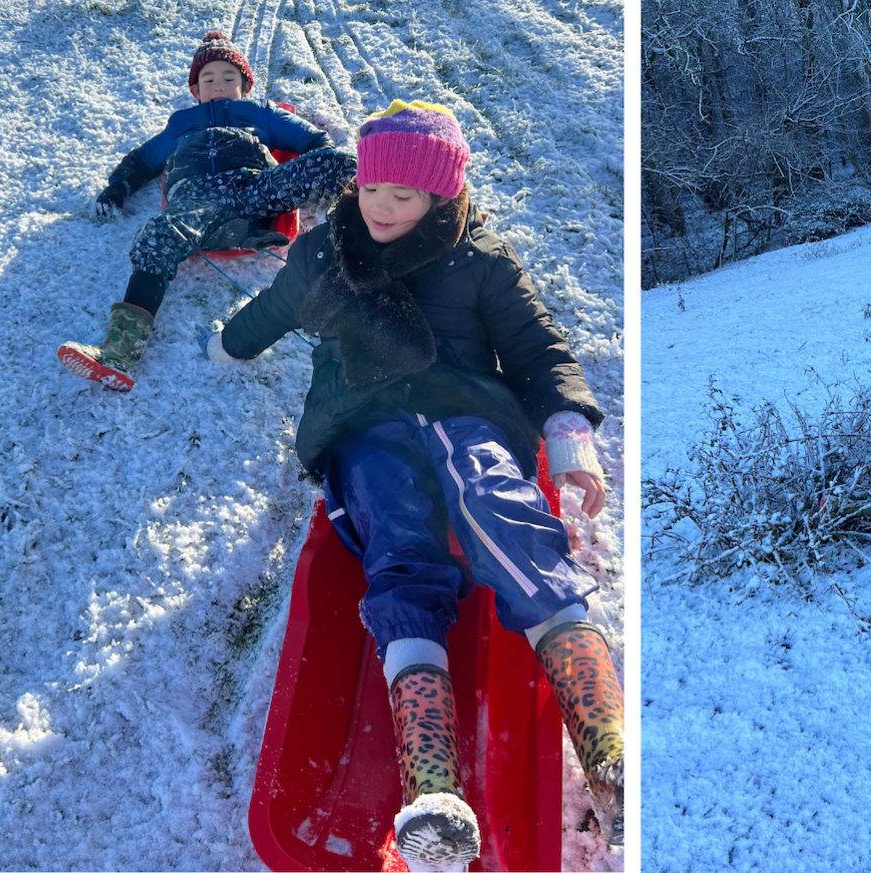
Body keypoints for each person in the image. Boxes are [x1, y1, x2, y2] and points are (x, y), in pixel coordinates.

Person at [204, 99, 623, 870]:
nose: (381, 208)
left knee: (493, 502)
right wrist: (231, 341)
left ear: (442, 195)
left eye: (404, 196)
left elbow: (536, 345)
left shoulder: (478, 258)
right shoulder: (328, 253)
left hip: (468, 414)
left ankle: (607, 745)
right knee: (398, 544)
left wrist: (567, 428)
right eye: (370, 191)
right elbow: (272, 309)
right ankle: (434, 791)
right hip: (363, 427)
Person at [57, 31, 358, 391]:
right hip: (195, 200)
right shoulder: (180, 123)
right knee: (156, 237)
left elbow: (312, 140)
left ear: (244, 86)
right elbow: (142, 159)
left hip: (252, 188)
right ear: (195, 89)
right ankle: (120, 350)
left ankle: (380, 207)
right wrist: (119, 185)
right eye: (208, 79)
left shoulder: (260, 112)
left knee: (339, 163)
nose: (218, 85)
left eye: (229, 79)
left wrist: (317, 163)